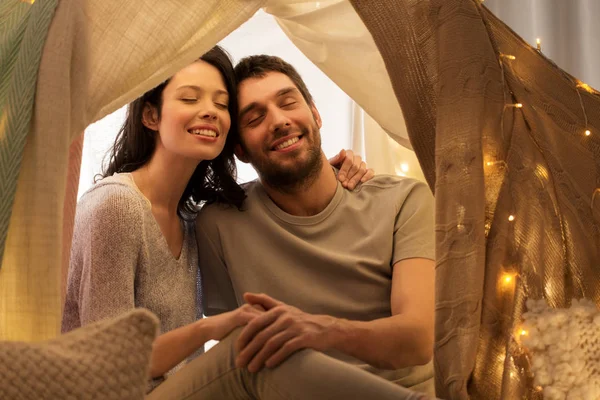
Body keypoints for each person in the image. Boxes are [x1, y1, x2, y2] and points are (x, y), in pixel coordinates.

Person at [61, 46, 429, 400]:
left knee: (253, 346)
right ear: (150, 115)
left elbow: (419, 337)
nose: (208, 112)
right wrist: (213, 327)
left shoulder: (192, 219)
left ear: (316, 115)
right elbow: (107, 366)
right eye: (190, 99)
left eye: (220, 104)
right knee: (252, 349)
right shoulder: (127, 208)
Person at [195, 55, 436, 396]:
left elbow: (417, 340)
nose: (278, 121)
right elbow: (239, 351)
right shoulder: (217, 224)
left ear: (315, 114)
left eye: (288, 102)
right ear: (240, 150)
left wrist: (322, 331)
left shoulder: (403, 201)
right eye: (255, 118)